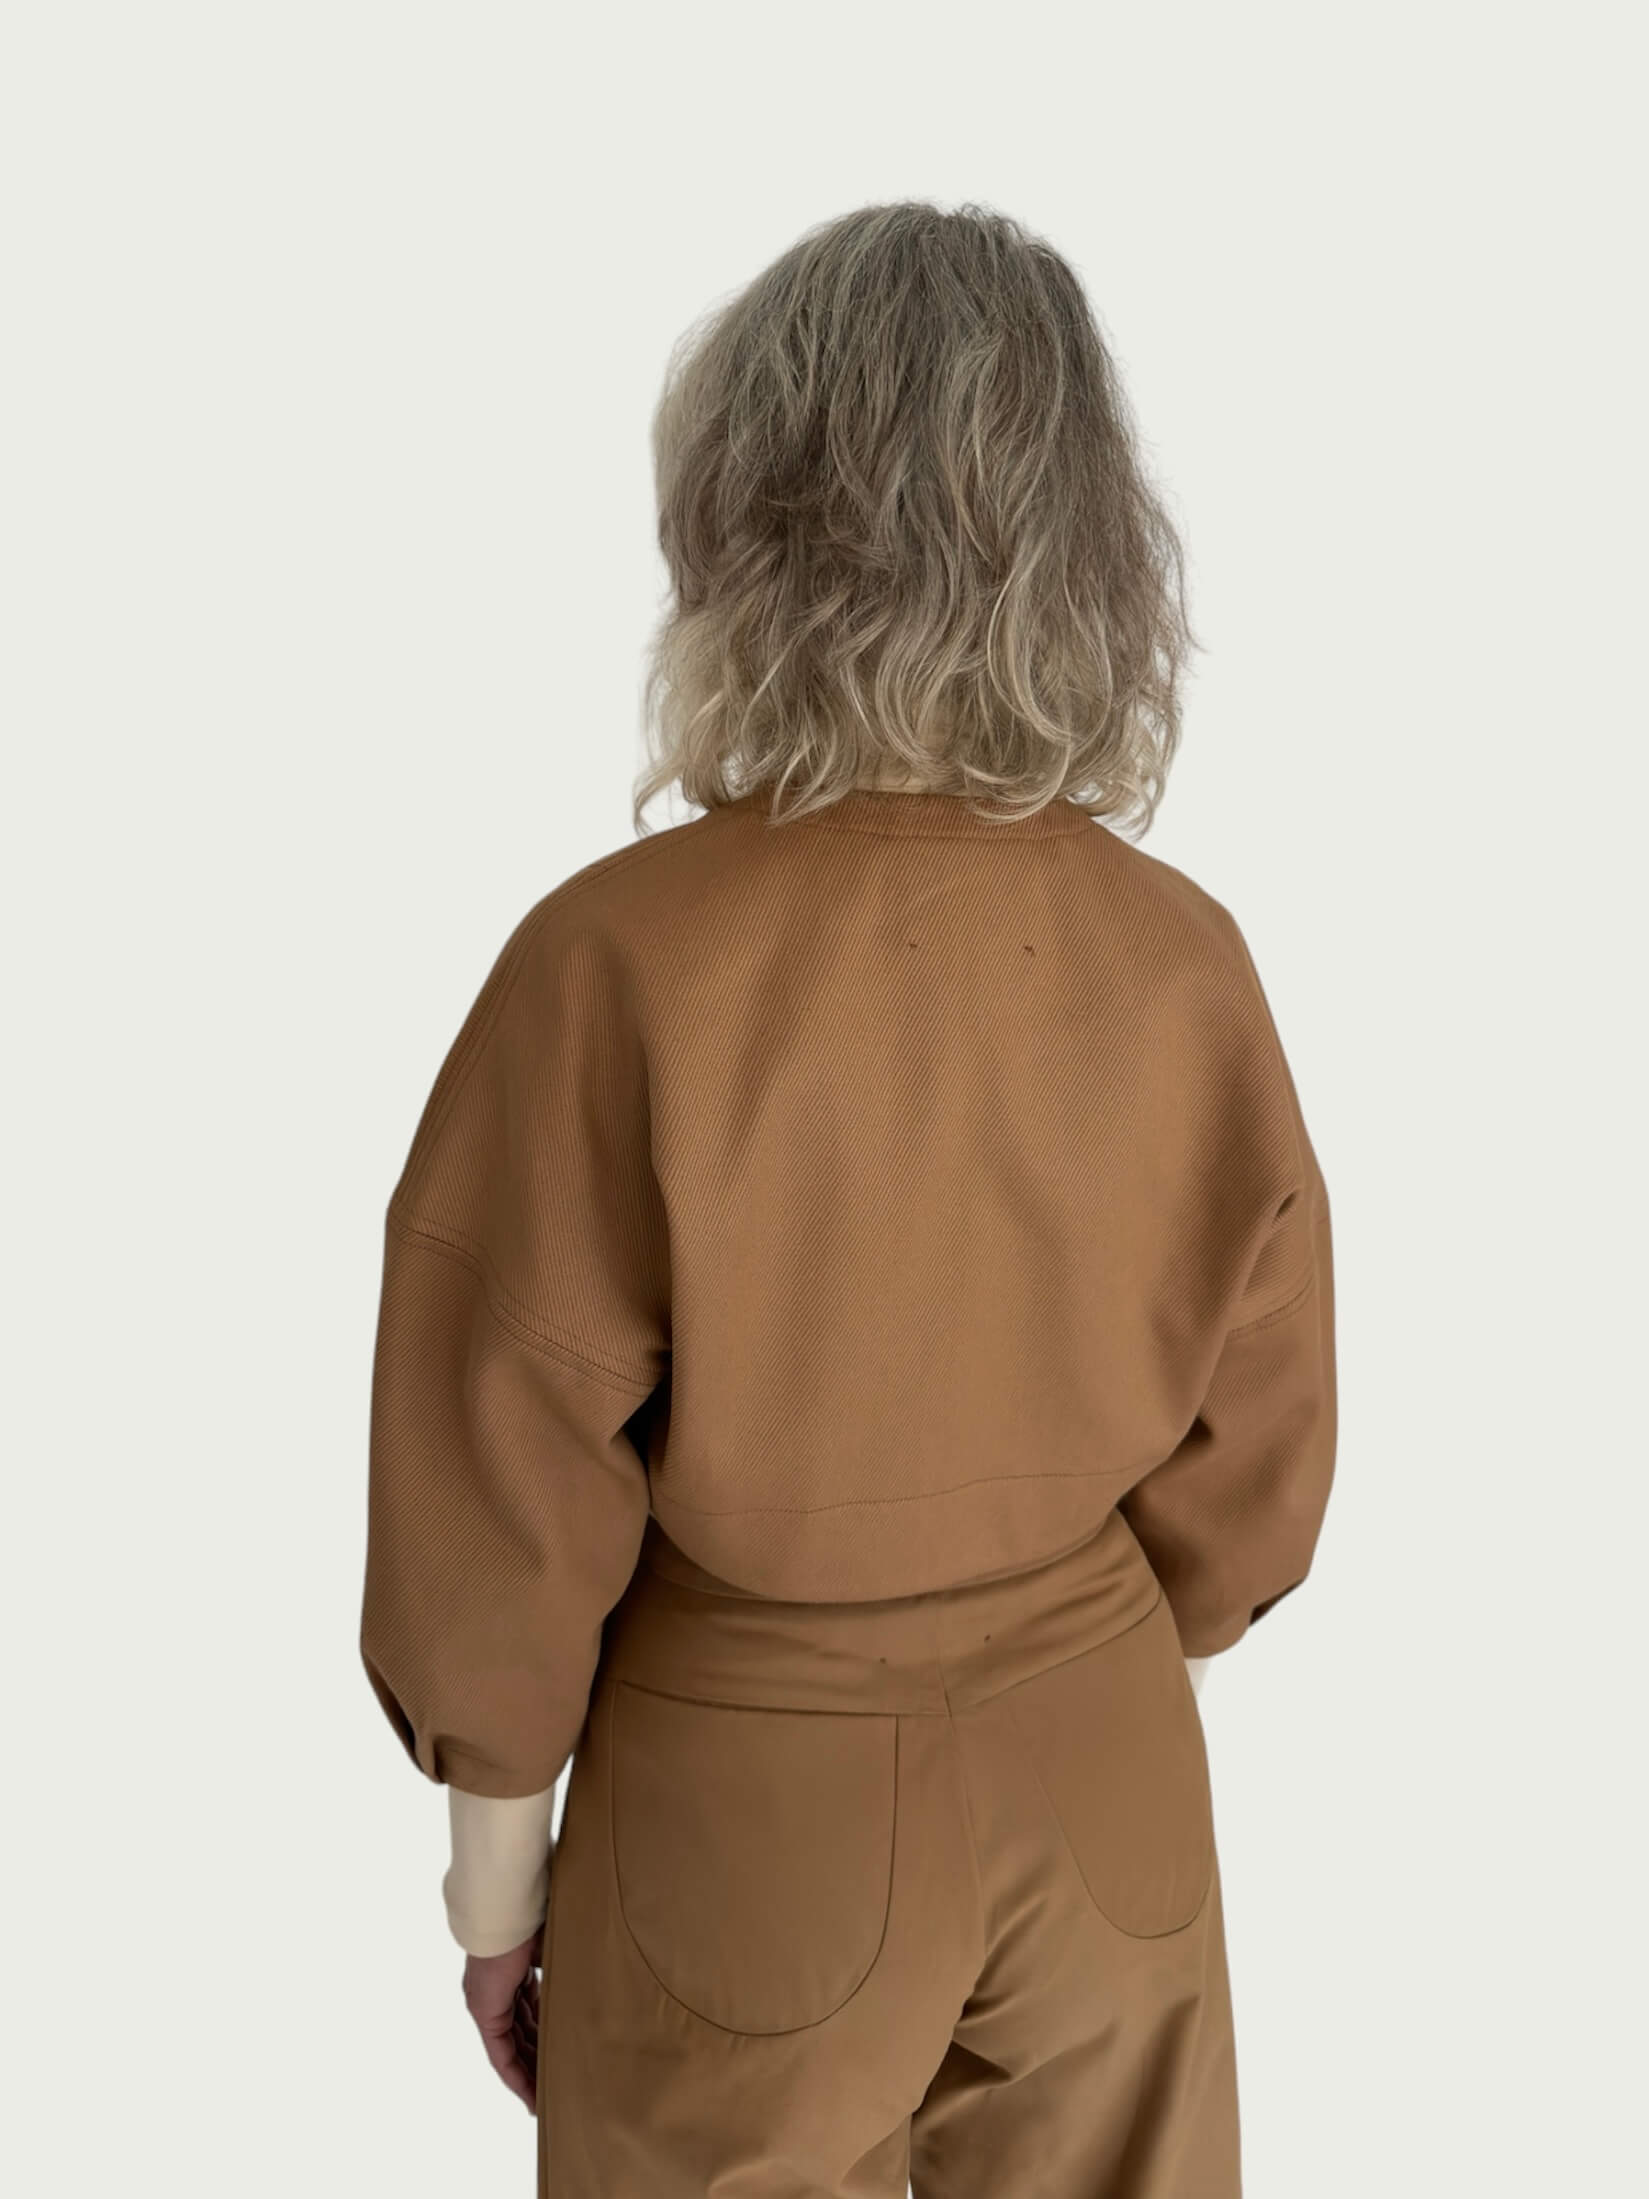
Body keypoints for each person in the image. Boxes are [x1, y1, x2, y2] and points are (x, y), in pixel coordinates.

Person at [361, 199, 1336, 2197]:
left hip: (747, 1804)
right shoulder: (1182, 957)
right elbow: (1255, 1444)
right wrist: (1098, 1679)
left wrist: (496, 1890)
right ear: (1089, 540)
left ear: (743, 521)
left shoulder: (612, 964)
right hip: (1111, 1773)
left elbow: (497, 1473)